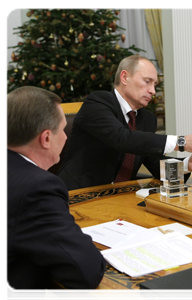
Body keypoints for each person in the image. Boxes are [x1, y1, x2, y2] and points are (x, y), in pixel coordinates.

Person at [58, 55, 192, 190]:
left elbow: (155, 165)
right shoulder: (98, 102)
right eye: (147, 81)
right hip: (78, 195)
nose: (152, 90)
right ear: (124, 77)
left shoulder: (146, 119)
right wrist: (181, 142)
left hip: (121, 198)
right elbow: (122, 138)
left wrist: (188, 164)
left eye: (155, 84)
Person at [5, 86, 106, 300]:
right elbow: (85, 272)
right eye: (62, 130)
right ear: (46, 139)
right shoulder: (37, 188)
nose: (66, 138)